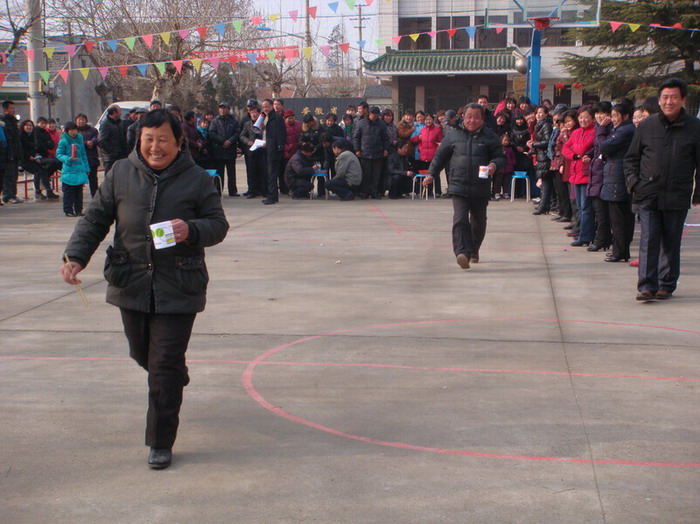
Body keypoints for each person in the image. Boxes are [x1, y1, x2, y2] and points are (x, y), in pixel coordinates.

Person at [60, 109, 228, 469]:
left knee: (163, 365)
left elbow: (218, 225)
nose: (155, 147)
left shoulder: (197, 179)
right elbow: (95, 218)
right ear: (139, 140)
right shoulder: (121, 172)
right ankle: (173, 373)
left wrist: (191, 230)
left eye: (163, 139)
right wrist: (75, 256)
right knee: (143, 355)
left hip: (179, 284)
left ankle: (160, 441)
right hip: (131, 280)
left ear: (178, 142)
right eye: (148, 139)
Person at [624, 78, 700, 301]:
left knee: (671, 241)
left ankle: (666, 284)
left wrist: (698, 193)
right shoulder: (647, 126)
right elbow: (631, 158)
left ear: (683, 100)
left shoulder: (695, 127)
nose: (669, 101)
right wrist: (634, 183)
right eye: (665, 97)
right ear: (659, 100)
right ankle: (647, 286)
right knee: (649, 239)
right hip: (648, 192)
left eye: (674, 97)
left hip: (677, 193)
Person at [426, 103, 505, 269]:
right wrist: (431, 174)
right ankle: (462, 253)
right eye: (469, 117)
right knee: (460, 219)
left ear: (482, 119)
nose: (472, 120)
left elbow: (500, 157)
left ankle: (474, 250)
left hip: (480, 187)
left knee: (478, 222)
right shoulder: (453, 135)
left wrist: (493, 165)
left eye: (476, 117)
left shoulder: (489, 136)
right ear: (463, 117)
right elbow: (440, 157)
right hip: (458, 185)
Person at [600, 103, 636, 263]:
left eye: (616, 116)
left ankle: (620, 251)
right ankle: (621, 250)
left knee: (618, 218)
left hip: (618, 177)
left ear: (626, 116)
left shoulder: (625, 131)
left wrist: (602, 130)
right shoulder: (623, 130)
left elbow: (604, 146)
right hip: (618, 176)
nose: (613, 119)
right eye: (612, 115)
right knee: (623, 217)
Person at [563, 107, 596, 247]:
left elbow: (582, 148)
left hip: (586, 174)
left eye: (586, 117)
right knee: (579, 206)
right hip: (575, 173)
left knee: (585, 207)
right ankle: (582, 233)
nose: (583, 120)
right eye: (581, 117)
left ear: (592, 118)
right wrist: (574, 155)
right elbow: (565, 148)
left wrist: (576, 151)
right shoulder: (576, 132)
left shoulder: (594, 132)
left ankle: (585, 236)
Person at [586, 102, 614, 251]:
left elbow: (605, 147)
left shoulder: (609, 129)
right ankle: (604, 239)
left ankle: (601, 240)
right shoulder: (600, 129)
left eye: (603, 113)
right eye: (597, 113)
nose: (599, 116)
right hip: (596, 173)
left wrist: (602, 128)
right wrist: (589, 155)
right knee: (598, 210)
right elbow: (597, 148)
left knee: (602, 212)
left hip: (605, 175)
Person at [353, 105, 389, 199]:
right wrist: (357, 149)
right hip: (365, 152)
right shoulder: (361, 123)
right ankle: (365, 192)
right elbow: (356, 138)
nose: (375, 117)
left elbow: (386, 138)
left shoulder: (382, 124)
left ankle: (374, 192)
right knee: (366, 174)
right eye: (373, 115)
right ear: (369, 113)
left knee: (376, 175)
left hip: (378, 152)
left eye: (377, 115)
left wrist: (386, 149)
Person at [56, 121, 89, 217]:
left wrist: (87, 168)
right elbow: (59, 154)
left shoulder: (79, 139)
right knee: (68, 192)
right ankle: (68, 210)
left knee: (79, 192)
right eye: (71, 130)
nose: (73, 132)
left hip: (79, 170)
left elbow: (83, 154)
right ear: (67, 131)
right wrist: (68, 159)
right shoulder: (63, 141)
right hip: (69, 170)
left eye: (74, 130)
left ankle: (79, 210)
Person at [19, 119, 59, 201]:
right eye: (27, 125)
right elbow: (21, 149)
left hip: (34, 158)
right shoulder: (21, 136)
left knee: (43, 170)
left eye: (30, 125)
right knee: (38, 171)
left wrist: (35, 155)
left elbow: (51, 145)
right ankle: (38, 192)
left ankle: (48, 191)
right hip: (24, 160)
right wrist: (29, 156)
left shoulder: (33, 135)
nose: (29, 127)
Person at [208, 102, 240, 196]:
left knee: (231, 172)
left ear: (228, 109)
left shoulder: (233, 121)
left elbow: (237, 133)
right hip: (219, 150)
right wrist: (222, 141)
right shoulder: (215, 121)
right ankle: (218, 190)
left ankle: (232, 191)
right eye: (220, 108)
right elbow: (212, 133)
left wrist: (230, 141)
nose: (222, 110)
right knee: (219, 172)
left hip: (230, 150)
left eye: (224, 108)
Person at [260, 98, 287, 205]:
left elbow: (282, 133)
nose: (265, 109)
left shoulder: (277, 117)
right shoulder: (264, 117)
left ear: (271, 106)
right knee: (269, 173)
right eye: (263, 107)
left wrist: (280, 147)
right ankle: (272, 195)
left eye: (267, 106)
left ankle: (272, 196)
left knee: (272, 174)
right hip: (265, 148)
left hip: (274, 150)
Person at [411, 113, 444, 195]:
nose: (428, 121)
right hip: (423, 156)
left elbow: (441, 142)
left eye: (429, 119)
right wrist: (420, 149)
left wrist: (437, 151)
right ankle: (427, 192)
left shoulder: (437, 130)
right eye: (426, 120)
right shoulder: (422, 130)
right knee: (425, 174)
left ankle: (437, 191)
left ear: (433, 120)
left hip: (433, 156)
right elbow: (419, 141)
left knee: (435, 174)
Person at [529, 105, 553, 215]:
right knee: (543, 182)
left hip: (545, 157)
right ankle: (544, 205)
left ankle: (544, 206)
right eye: (537, 113)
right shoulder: (539, 125)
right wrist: (533, 150)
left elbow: (547, 141)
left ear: (546, 114)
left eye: (541, 112)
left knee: (545, 181)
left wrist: (534, 145)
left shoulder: (546, 125)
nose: (538, 115)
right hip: (540, 156)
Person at [240, 105, 267, 199]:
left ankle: (264, 191)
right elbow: (242, 136)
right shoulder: (247, 124)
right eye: (251, 113)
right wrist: (248, 142)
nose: (253, 114)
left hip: (262, 151)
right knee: (251, 172)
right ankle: (252, 191)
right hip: (251, 152)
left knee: (263, 172)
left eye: (255, 112)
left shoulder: (264, 123)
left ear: (259, 114)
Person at [1, 100, 23, 203]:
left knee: (14, 175)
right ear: (5, 110)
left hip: (15, 152)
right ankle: (7, 196)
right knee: (8, 176)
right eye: (11, 108)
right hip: (7, 153)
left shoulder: (14, 121)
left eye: (14, 108)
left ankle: (13, 195)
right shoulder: (4, 122)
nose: (13, 110)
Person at [98, 105, 128, 175]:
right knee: (110, 177)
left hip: (121, 156)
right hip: (110, 158)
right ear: (114, 112)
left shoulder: (119, 123)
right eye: (119, 111)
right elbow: (102, 141)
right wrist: (112, 152)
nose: (121, 113)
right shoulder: (105, 124)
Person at [75, 113, 100, 197]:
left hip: (91, 158)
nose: (81, 121)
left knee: (93, 179)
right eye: (79, 120)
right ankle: (78, 198)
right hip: (79, 159)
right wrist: (86, 143)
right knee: (79, 180)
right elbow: (75, 143)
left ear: (86, 120)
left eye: (82, 119)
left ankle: (95, 197)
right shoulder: (74, 131)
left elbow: (97, 138)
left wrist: (93, 142)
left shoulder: (93, 130)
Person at [493, 133, 515, 201]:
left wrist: (512, 164)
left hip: (508, 168)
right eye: (505, 140)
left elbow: (513, 158)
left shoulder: (510, 149)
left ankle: (505, 192)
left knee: (506, 181)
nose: (506, 142)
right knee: (498, 181)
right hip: (499, 169)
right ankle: (497, 193)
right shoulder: (498, 149)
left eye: (507, 140)